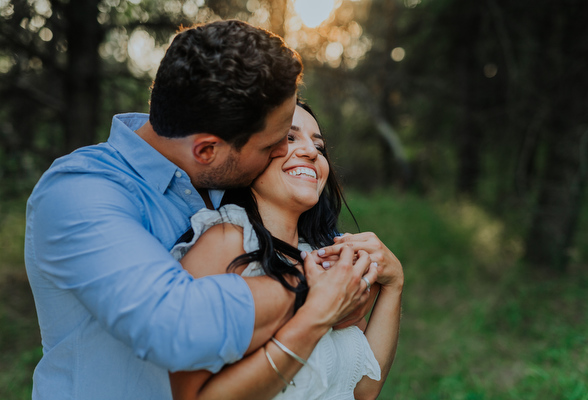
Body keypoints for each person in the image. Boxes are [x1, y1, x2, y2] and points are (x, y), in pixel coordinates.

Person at [24, 20, 386, 399]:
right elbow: (175, 324)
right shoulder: (80, 193)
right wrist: (314, 290)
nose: (285, 151)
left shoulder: (225, 180)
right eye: (271, 146)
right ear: (206, 150)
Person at [168, 102, 404, 400]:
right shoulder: (226, 241)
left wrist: (394, 285)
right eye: (289, 138)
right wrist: (315, 312)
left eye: (319, 146)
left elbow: (363, 390)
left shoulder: (320, 255)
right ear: (248, 154)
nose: (311, 151)